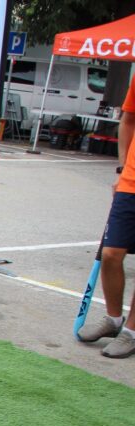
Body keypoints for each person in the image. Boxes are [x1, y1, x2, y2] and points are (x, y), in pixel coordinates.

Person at [76, 74, 135, 359]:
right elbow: (128, 120)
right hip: (131, 183)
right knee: (111, 254)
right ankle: (114, 319)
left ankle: (131, 332)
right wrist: (123, 169)